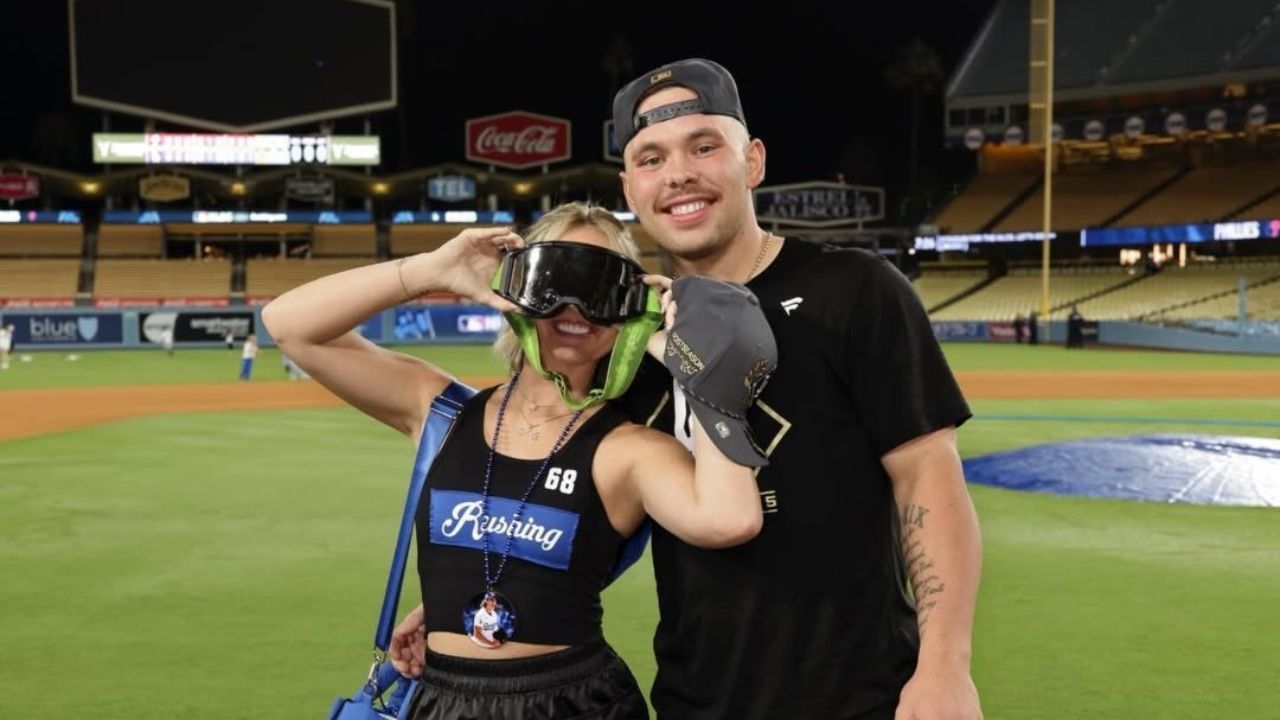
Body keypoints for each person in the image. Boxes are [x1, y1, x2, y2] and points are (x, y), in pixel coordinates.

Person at [262, 202, 773, 720]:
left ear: (630, 307)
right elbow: (288, 325)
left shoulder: (628, 450)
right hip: (439, 697)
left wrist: (701, 368)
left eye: (599, 289)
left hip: (572, 704)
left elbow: (729, 518)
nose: (574, 307)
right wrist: (432, 270)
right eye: (555, 281)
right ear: (518, 288)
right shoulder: (442, 413)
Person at [605, 58, 984, 720]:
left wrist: (944, 667)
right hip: (694, 704)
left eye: (704, 146)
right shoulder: (631, 338)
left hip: (865, 699)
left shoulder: (855, 289)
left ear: (752, 161)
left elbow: (927, 475)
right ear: (630, 189)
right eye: (651, 158)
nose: (678, 174)